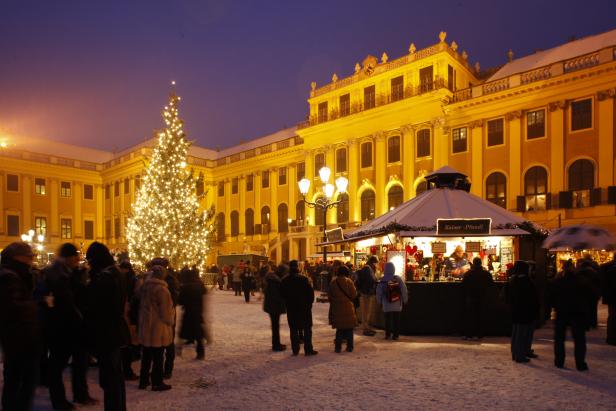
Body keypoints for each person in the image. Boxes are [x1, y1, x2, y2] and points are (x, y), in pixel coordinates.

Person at [43, 243, 96, 409]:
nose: (78, 258)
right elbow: (66, 303)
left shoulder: (69, 273)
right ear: (67, 257)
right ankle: (59, 401)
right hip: (61, 327)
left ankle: (80, 394)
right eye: (75, 256)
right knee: (57, 366)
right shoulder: (57, 275)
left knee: (80, 362)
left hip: (74, 326)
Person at [84, 242, 129, 411]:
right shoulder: (115, 273)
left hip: (106, 334)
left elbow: (96, 306)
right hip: (114, 332)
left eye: (90, 260)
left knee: (110, 380)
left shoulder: (105, 278)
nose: (88, 264)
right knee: (115, 378)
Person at [0, 242, 41, 411]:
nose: (32, 260)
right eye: (29, 257)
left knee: (17, 380)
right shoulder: (10, 276)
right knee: (19, 380)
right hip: (18, 338)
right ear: (18, 257)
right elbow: (13, 307)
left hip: (19, 337)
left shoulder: (16, 274)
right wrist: (36, 305)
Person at [551, 260, 598, 371]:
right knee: (579, 339)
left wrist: (556, 306)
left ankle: (559, 361)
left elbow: (550, 296)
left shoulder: (558, 282)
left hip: (562, 312)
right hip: (578, 313)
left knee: (559, 338)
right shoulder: (582, 281)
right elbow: (593, 295)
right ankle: (580, 363)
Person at [137, 265, 174, 390]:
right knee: (158, 357)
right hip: (157, 328)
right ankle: (157, 382)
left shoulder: (144, 287)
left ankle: (143, 381)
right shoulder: (162, 290)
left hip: (146, 327)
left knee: (146, 356)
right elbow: (165, 313)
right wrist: (170, 320)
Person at [504, 261, 540, 363]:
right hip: (525, 312)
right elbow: (533, 299)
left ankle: (517, 353)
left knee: (517, 333)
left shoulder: (513, 281)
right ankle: (520, 354)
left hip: (516, 311)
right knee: (523, 334)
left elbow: (507, 297)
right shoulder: (526, 282)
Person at [280, 260, 318, 356]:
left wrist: (287, 303)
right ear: (297, 267)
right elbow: (310, 294)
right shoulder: (304, 279)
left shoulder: (284, 280)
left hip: (291, 308)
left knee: (293, 328)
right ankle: (308, 349)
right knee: (307, 328)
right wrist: (309, 304)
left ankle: (295, 349)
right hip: (304, 307)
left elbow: (282, 294)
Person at [461, 257, 493, 340]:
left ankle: (469, 334)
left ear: (473, 263)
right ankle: (479, 334)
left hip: (471, 297)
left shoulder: (468, 273)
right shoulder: (486, 274)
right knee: (480, 316)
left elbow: (463, 285)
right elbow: (491, 285)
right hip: (483, 297)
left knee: (470, 316)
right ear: (481, 263)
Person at [178, 268, 207, 360]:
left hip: (189, 311)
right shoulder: (199, 284)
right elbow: (204, 292)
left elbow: (180, 300)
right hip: (198, 310)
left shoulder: (185, 287)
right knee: (197, 331)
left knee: (189, 330)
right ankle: (199, 349)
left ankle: (199, 351)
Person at [328, 265, 358, 352]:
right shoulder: (349, 282)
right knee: (349, 329)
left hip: (337, 308)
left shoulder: (333, 282)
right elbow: (354, 294)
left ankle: (338, 347)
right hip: (348, 308)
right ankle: (350, 347)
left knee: (339, 329)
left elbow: (330, 296)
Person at [376, 262, 409, 340]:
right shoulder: (397, 279)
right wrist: (405, 299)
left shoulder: (382, 280)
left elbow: (378, 292)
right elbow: (404, 290)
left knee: (387, 320)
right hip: (397, 304)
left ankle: (387, 334)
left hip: (386, 304)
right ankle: (396, 335)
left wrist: (379, 301)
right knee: (396, 320)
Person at [118, 260, 139, 381]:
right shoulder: (129, 278)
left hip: (127, 314)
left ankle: (127, 368)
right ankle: (127, 369)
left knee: (127, 343)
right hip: (126, 315)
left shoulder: (127, 279)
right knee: (127, 343)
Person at [263, 264, 287, 352]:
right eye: (285, 272)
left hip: (272, 306)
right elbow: (276, 296)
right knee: (275, 326)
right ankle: (276, 345)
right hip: (274, 306)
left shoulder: (273, 279)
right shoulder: (275, 281)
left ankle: (276, 343)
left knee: (275, 326)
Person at [356, 256, 378, 336]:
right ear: (373, 262)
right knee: (366, 310)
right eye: (375, 263)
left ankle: (366, 326)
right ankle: (365, 327)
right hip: (367, 292)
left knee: (366, 310)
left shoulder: (366, 268)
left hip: (365, 291)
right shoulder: (368, 269)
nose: (376, 265)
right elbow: (371, 280)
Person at [576, 258, 601, 329]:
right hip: (593, 293)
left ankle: (586, 322)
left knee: (585, 308)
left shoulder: (579, 272)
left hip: (583, 293)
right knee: (593, 309)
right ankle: (593, 323)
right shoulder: (595, 273)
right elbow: (599, 283)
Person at [600, 259, 616, 345]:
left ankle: (611, 337)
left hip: (610, 297)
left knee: (612, 317)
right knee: (613, 317)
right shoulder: (610, 269)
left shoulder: (605, 267)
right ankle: (612, 338)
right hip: (612, 296)